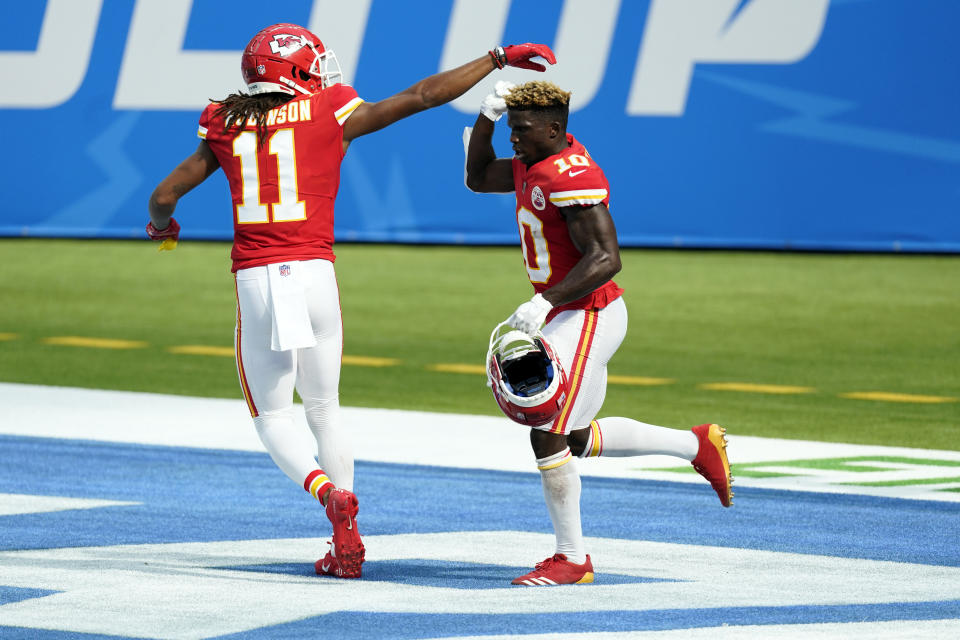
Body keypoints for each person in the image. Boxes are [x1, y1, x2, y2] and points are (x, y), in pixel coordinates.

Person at [146, 23, 556, 579]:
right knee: (324, 409)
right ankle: (347, 539)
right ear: (296, 70)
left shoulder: (224, 120)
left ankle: (326, 497)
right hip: (315, 272)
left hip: (259, 278)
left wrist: (163, 229)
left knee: (271, 415)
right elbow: (422, 96)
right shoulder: (328, 108)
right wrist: (496, 57)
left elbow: (164, 196)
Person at [465, 80, 733, 586]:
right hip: (567, 311)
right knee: (575, 438)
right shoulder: (532, 160)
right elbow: (477, 177)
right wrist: (486, 114)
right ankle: (696, 445)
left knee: (545, 430)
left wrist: (545, 301)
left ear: (553, 129)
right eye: (511, 129)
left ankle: (573, 558)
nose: (514, 138)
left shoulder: (571, 176)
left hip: (588, 312)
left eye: (521, 129)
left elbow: (607, 258)